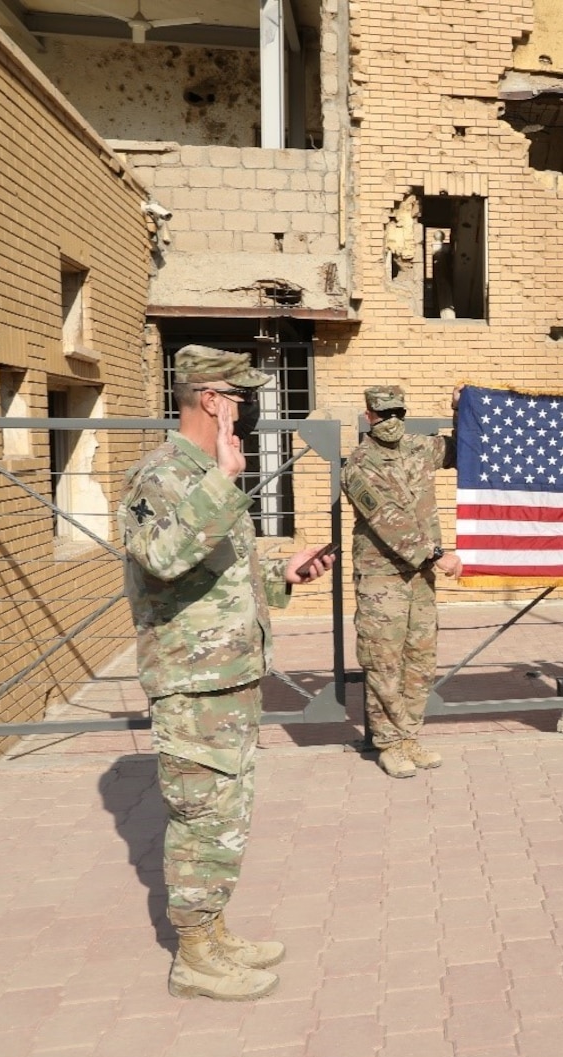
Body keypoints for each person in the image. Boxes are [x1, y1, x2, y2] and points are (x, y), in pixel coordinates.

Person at [122, 345, 335, 1001]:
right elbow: (160, 556)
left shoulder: (204, 471)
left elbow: (218, 568)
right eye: (239, 398)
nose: (245, 409)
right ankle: (193, 957)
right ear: (212, 400)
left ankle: (213, 933)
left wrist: (282, 571)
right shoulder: (161, 474)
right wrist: (221, 481)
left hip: (229, 676)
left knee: (226, 816)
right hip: (192, 686)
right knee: (201, 818)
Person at [342, 385, 463, 779]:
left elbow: (465, 449)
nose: (391, 421)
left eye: (398, 412)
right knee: (383, 662)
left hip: (420, 577)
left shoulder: (418, 448)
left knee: (420, 659)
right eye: (383, 414)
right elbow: (388, 520)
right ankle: (388, 742)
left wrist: (463, 409)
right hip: (383, 577)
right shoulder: (359, 464)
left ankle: (409, 735)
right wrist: (438, 555)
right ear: (368, 417)